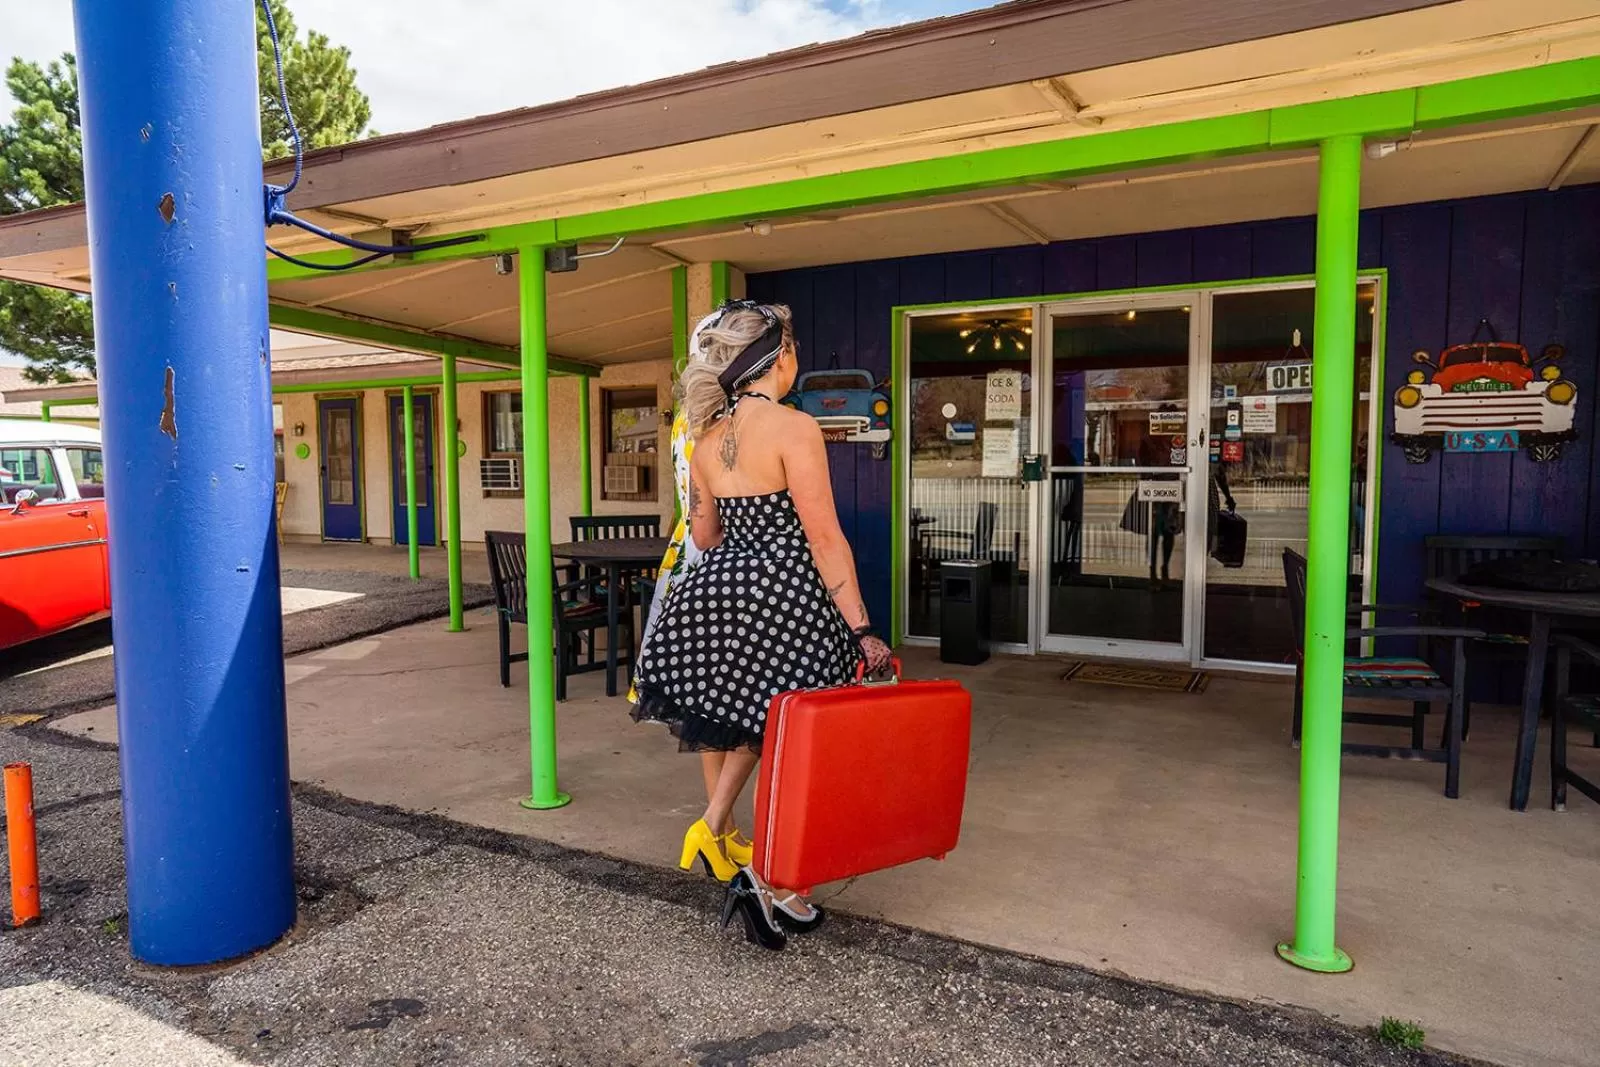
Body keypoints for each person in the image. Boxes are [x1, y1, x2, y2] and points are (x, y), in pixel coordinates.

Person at [630, 299, 892, 950]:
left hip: (719, 596)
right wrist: (862, 630)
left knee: (756, 727)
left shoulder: (705, 438)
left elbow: (705, 533)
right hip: (791, 602)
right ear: (779, 359)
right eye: (794, 346)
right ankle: (777, 882)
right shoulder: (795, 428)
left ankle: (727, 834)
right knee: (796, 748)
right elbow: (825, 538)